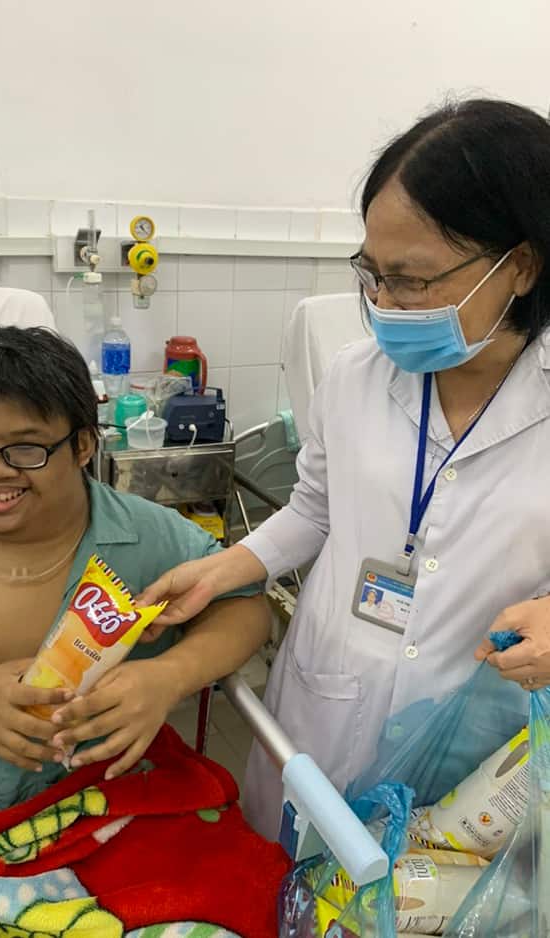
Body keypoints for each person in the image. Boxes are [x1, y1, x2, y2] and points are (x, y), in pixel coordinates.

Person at [137, 98, 550, 839]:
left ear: (519, 264)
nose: (384, 304)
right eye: (372, 273)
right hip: (326, 704)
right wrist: (224, 569)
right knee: (293, 884)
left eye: (413, 280)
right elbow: (315, 509)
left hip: (476, 742)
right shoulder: (357, 377)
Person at [0, 325, 269, 810]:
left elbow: (244, 608)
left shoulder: (148, 539)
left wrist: (168, 677)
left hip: (99, 804)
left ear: (83, 446)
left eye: (27, 450)